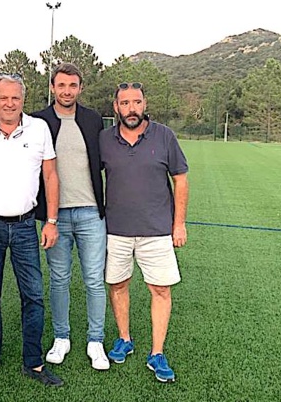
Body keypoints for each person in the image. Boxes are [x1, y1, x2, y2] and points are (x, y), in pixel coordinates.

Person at [0, 73, 63, 386]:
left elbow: (50, 176)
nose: (9, 104)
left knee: (33, 295)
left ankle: (33, 362)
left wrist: (51, 221)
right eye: (3, 98)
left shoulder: (39, 128)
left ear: (24, 100)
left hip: (25, 225)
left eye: (15, 98)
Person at [99, 82, 189, 383]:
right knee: (118, 285)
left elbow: (181, 179)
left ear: (144, 104)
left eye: (136, 102)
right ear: (116, 107)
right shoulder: (104, 139)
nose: (131, 109)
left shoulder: (164, 136)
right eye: (125, 103)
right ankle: (124, 338)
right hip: (116, 230)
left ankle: (157, 353)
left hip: (157, 230)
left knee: (160, 290)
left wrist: (179, 223)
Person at [32, 63, 109, 370]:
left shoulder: (93, 120)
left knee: (94, 280)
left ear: (80, 88)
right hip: (55, 216)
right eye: (61, 85)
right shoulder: (38, 121)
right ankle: (61, 337)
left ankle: (96, 340)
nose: (67, 91)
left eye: (72, 85)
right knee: (59, 279)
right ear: (52, 87)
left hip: (91, 213)